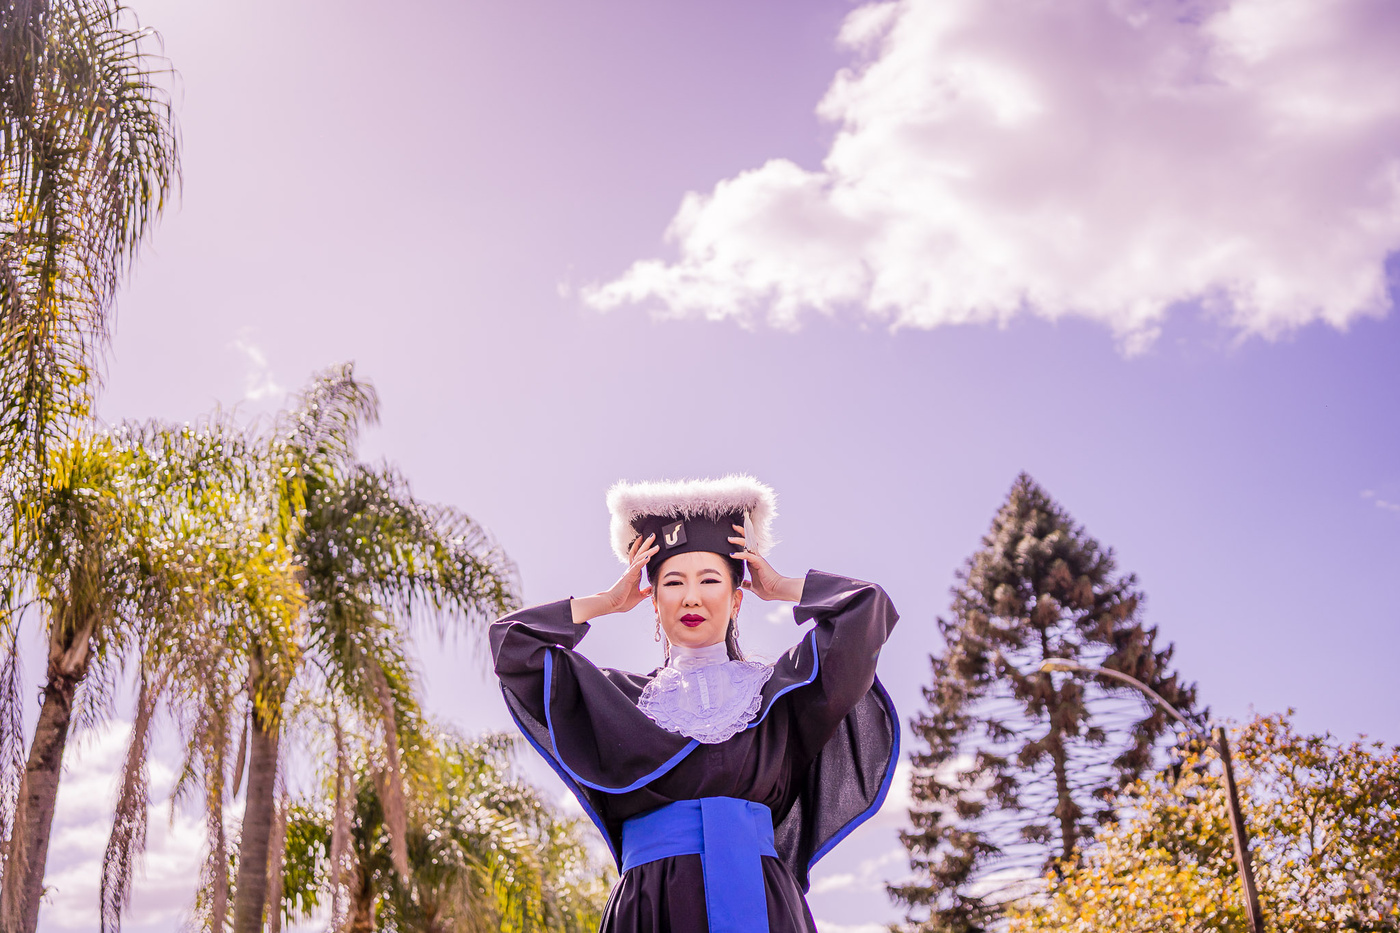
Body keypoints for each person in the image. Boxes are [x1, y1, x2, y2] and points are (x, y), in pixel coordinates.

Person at [490, 476, 899, 933]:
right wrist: (607, 601)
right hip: (649, 906)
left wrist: (780, 584)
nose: (691, 597)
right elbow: (513, 645)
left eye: (709, 580)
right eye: (672, 582)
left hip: (762, 902)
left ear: (736, 599)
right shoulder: (620, 699)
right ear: (654, 601)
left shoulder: (778, 693)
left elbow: (866, 608)